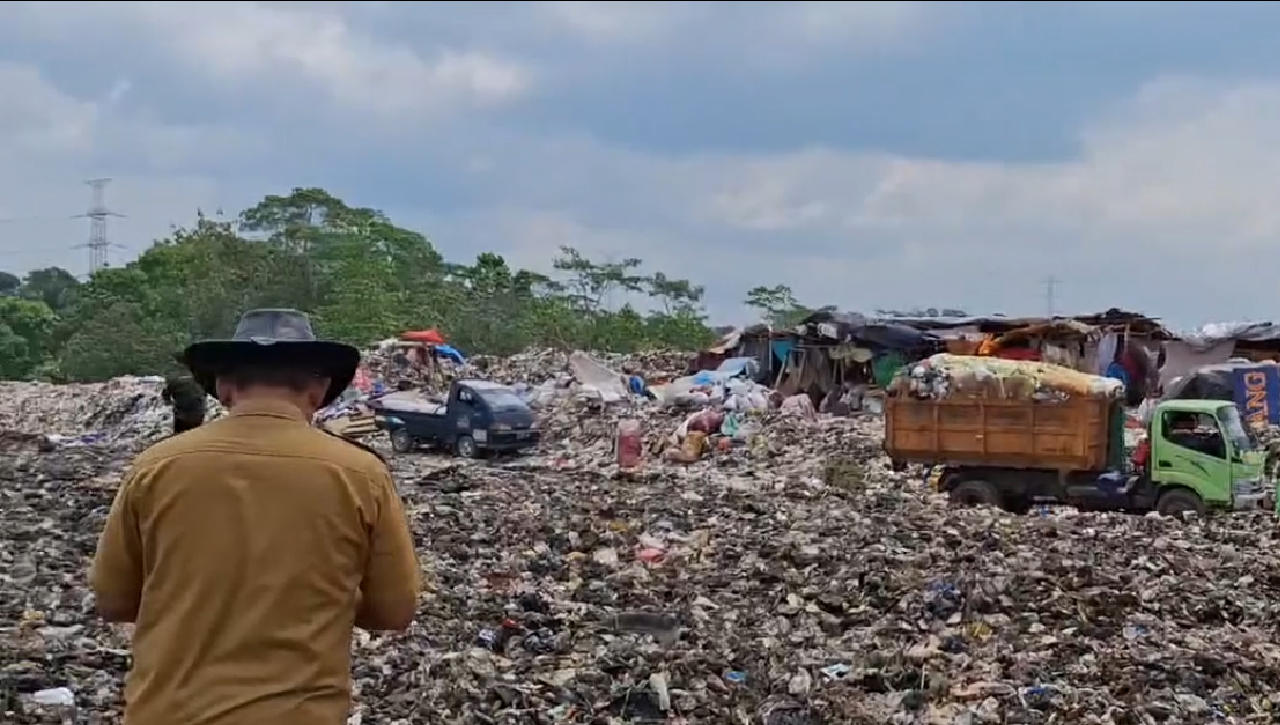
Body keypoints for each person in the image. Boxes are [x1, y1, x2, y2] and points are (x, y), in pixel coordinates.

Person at [90, 309, 422, 725]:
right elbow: (394, 611)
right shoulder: (361, 475)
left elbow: (113, 598)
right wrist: (322, 594)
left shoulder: (155, 466)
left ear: (224, 386)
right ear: (318, 391)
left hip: (167, 712)